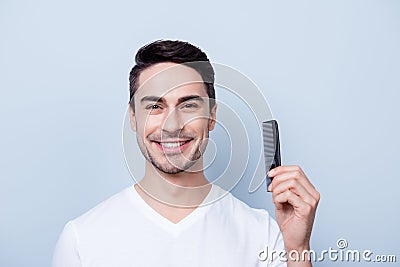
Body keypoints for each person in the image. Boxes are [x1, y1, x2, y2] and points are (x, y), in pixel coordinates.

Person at [52, 40, 320, 267]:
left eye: (189, 105)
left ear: (212, 116)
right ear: (133, 118)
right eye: (155, 106)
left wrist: (298, 248)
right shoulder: (81, 240)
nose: (172, 125)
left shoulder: (264, 234)